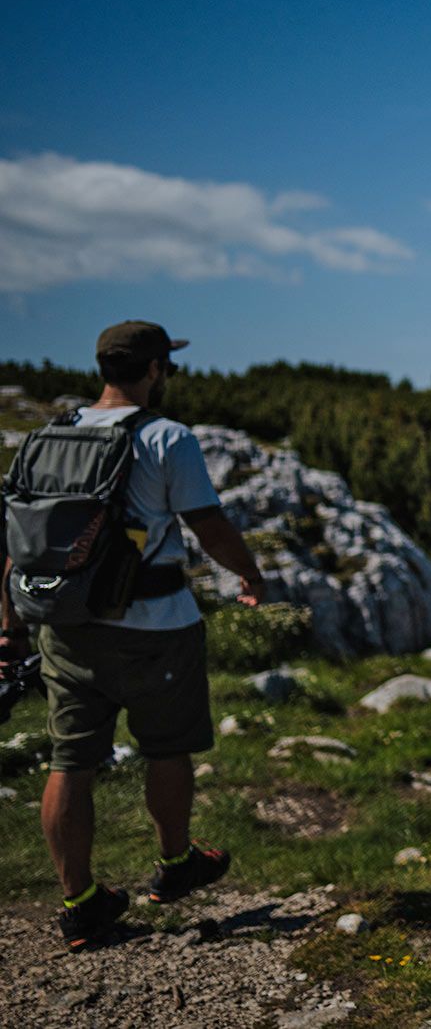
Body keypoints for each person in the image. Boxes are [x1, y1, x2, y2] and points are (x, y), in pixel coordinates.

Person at [0, 321, 266, 952]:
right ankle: (175, 864)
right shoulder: (166, 438)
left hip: (65, 628)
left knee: (71, 760)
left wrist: (9, 627)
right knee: (167, 748)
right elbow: (208, 524)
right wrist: (251, 574)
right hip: (156, 628)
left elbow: (16, 544)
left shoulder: (47, 437)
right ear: (153, 370)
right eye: (165, 367)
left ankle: (81, 903)